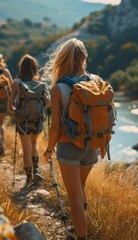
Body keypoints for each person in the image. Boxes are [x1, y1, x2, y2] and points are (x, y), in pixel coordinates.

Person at [43, 38, 109, 240]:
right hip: (92, 144)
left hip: (69, 147)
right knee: (81, 187)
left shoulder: (58, 89)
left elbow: (55, 126)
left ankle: (81, 236)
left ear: (62, 60)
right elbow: (104, 115)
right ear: (84, 58)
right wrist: (104, 142)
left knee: (74, 198)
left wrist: (48, 149)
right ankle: (80, 228)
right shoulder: (96, 81)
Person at [8, 54, 51, 185]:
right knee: (34, 144)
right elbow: (49, 102)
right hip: (37, 119)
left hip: (23, 120)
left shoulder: (16, 83)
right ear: (34, 68)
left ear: (21, 67)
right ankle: (36, 169)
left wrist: (16, 114)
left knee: (26, 148)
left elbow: (9, 106)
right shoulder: (41, 83)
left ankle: (28, 177)